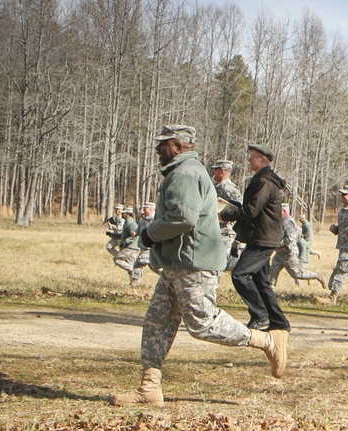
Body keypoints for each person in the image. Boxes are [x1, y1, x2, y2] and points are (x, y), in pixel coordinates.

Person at [112, 125, 287, 407]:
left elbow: (183, 218)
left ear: (179, 147)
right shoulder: (183, 171)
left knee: (203, 323)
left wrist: (148, 234)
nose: (158, 149)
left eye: (164, 144)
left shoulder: (185, 173)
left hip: (194, 262)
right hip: (177, 262)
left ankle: (267, 341)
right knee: (156, 324)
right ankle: (149, 388)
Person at [220, 144, 290, 333]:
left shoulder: (265, 182)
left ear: (263, 160)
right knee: (261, 282)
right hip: (262, 237)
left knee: (239, 275)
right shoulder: (263, 180)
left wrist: (224, 214)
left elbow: (251, 210)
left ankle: (260, 316)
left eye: (252, 157)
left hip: (262, 239)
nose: (249, 160)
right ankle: (279, 322)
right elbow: (252, 207)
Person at [269, 203, 327, 290]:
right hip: (279, 253)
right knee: (272, 272)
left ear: (284, 211)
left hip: (288, 253)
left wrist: (279, 244)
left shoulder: (288, 222)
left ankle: (318, 276)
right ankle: (269, 291)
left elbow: (290, 239)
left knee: (297, 274)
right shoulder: (280, 221)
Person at [211, 159, 243, 272]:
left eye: (216, 170)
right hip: (213, 230)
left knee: (220, 262)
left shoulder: (231, 190)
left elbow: (239, 211)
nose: (213, 173)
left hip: (226, 232)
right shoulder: (214, 187)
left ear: (223, 171)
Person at [112, 206, 144, 286]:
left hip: (131, 247)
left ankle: (134, 271)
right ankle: (134, 282)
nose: (122, 214)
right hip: (131, 247)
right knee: (130, 263)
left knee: (117, 259)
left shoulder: (130, 223)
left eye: (124, 213)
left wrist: (125, 242)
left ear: (127, 214)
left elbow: (135, 235)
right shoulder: (127, 222)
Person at [133, 202, 159, 275]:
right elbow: (139, 228)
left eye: (145, 208)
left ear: (151, 209)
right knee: (153, 266)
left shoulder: (156, 219)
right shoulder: (144, 219)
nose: (144, 210)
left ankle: (134, 281)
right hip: (143, 246)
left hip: (150, 247)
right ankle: (167, 277)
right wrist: (135, 233)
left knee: (138, 264)